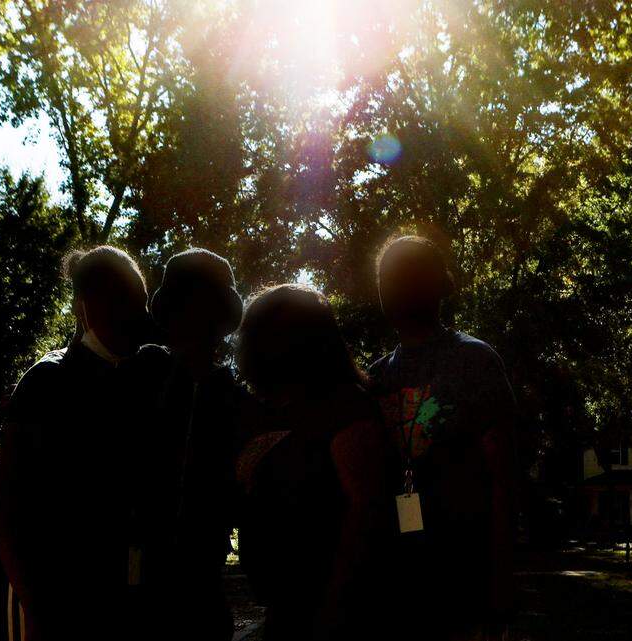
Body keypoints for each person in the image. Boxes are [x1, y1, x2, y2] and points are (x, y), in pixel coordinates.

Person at [0, 245, 152, 641]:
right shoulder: (45, 382)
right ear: (85, 307)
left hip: (118, 603)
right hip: (54, 602)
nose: (137, 314)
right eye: (123, 300)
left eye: (140, 300)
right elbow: (9, 509)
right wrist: (35, 607)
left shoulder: (141, 381)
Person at [367, 235, 516, 641]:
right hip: (398, 588)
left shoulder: (475, 360)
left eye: (406, 273)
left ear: (439, 284)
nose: (391, 285)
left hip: (463, 580)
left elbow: (504, 479)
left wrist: (499, 590)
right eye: (385, 276)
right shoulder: (376, 377)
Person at [235, 284, 392, 641]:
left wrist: (332, 611)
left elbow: (366, 511)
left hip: (335, 615)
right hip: (285, 610)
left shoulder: (346, 407)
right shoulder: (271, 412)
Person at [123, 248, 246, 640]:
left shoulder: (231, 395)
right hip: (136, 571)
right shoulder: (140, 372)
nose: (194, 323)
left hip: (202, 576)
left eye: (205, 311)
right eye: (185, 308)